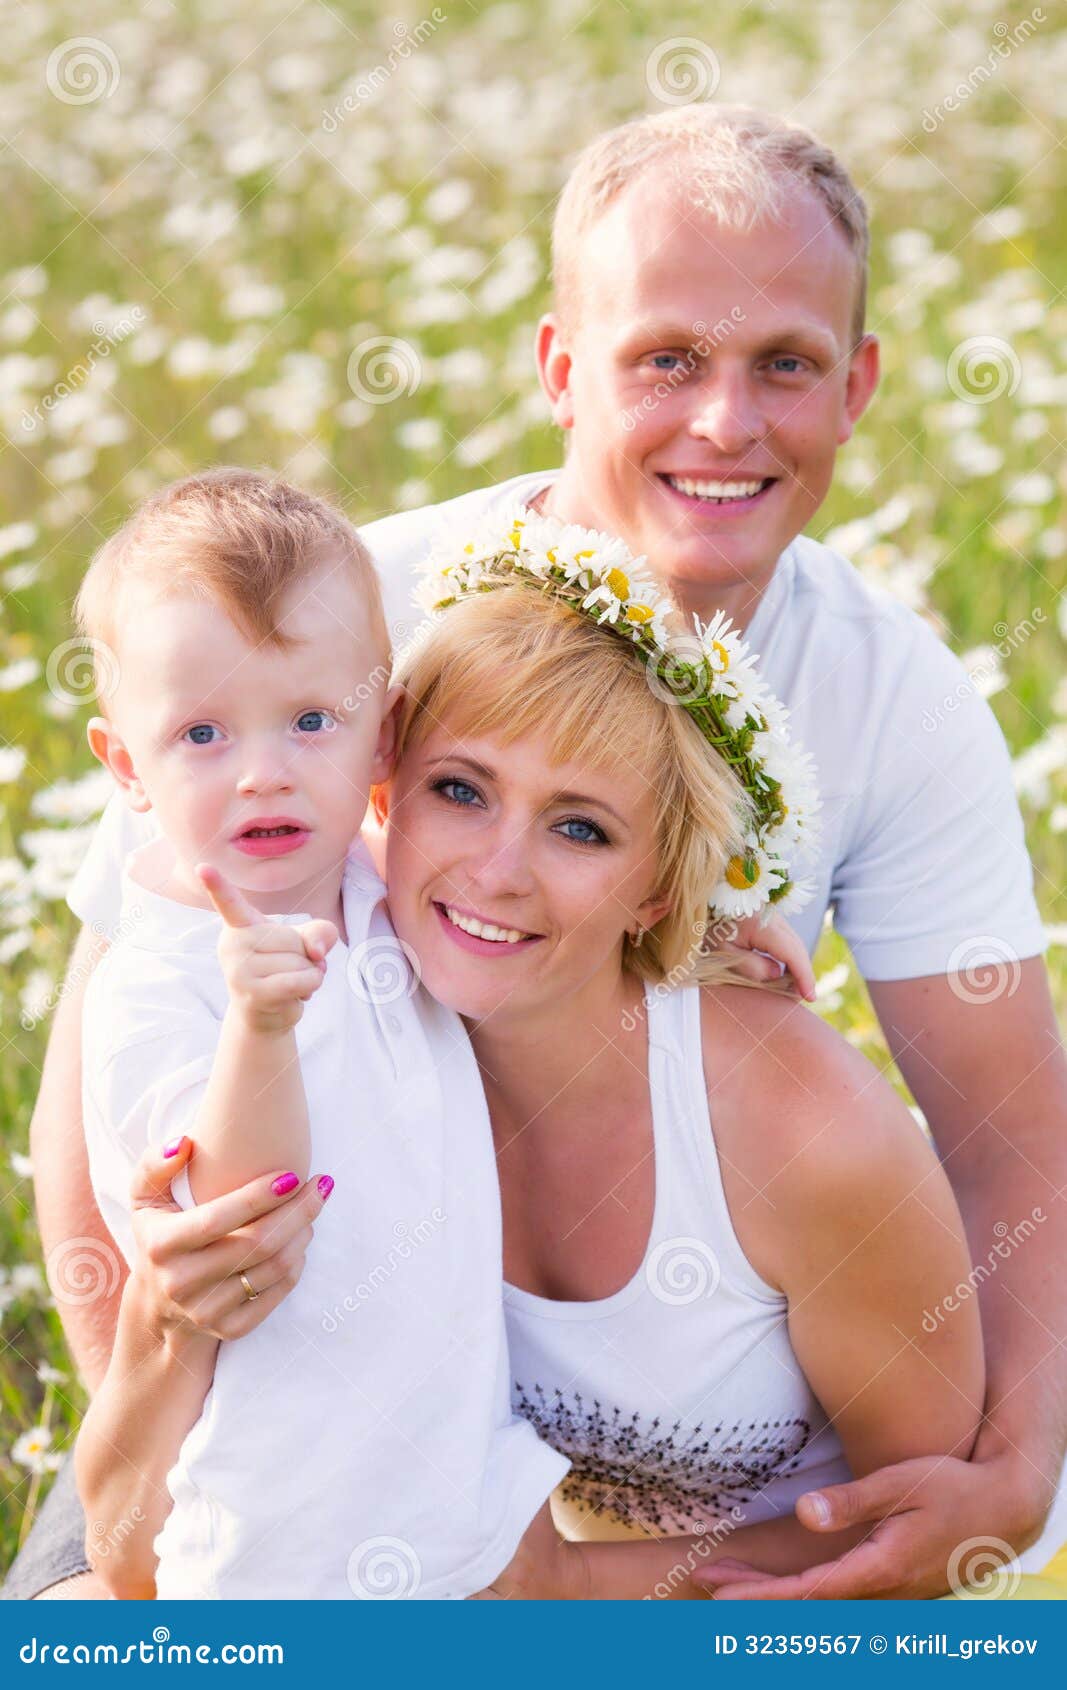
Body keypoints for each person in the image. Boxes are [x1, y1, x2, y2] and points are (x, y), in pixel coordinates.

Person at [8, 103, 1067, 1601]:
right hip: (278, 1430)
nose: (722, 422)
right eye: (662, 360)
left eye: (782, 363)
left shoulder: (896, 703)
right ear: (557, 368)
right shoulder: (329, 619)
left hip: (658, 1450)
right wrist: (155, 1436)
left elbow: (1010, 1135)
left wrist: (1018, 1457)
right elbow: (101, 1066)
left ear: (857, 388)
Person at [71, 512, 1000, 1601]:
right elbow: (132, 1537)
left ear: (657, 882)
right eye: (458, 790)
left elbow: (930, 1544)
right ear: (387, 787)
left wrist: (558, 1586)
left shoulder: (808, 1138)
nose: (494, 873)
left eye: (582, 830)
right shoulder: (349, 966)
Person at [66, 467, 583, 1600]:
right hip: (286, 1547)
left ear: (382, 732)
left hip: (460, 1502)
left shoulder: (362, 880)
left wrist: (694, 938)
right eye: (201, 732)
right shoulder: (157, 984)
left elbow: (523, 925)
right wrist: (260, 1021)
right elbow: (247, 1223)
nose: (264, 770)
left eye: (311, 720)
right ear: (126, 767)